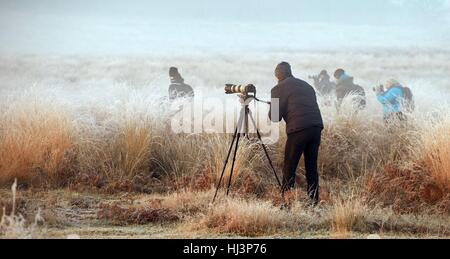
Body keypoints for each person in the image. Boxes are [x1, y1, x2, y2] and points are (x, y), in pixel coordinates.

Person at [269, 62, 324, 205]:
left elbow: (275, 117)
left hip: (298, 129)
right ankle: (313, 202)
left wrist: (273, 105)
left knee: (289, 166)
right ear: (290, 72)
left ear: (277, 76)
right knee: (311, 166)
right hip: (316, 127)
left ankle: (287, 203)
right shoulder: (307, 86)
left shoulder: (277, 89)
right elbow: (300, 105)